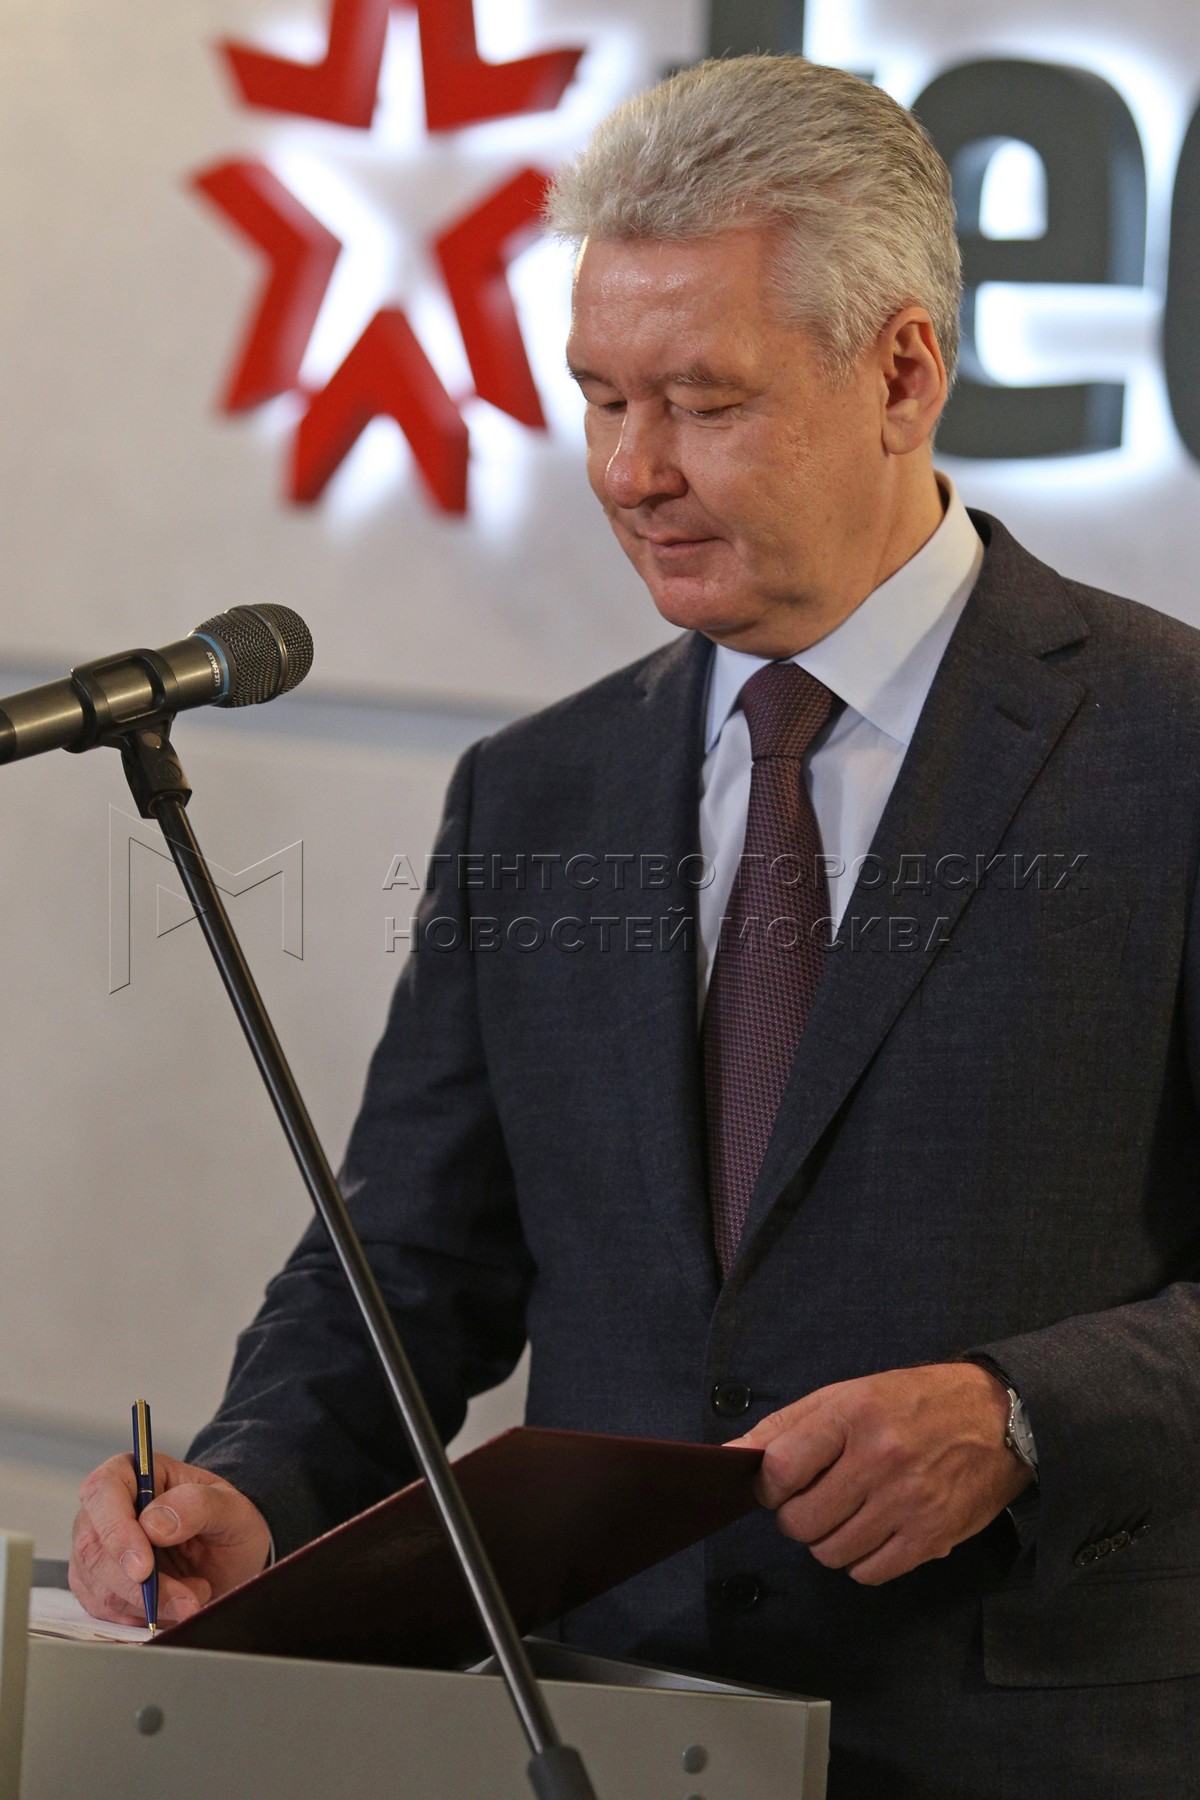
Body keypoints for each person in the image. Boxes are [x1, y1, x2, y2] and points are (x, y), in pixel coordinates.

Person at [69, 55, 1200, 1798]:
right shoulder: (537, 790)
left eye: (704, 401)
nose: (632, 469)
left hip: (1039, 1745)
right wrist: (253, 1484)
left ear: (903, 372)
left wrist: (1027, 1412)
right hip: (601, 1735)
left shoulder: (1167, 743)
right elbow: (414, 1259)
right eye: (600, 396)